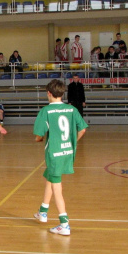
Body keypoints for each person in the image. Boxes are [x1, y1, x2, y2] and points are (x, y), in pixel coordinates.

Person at [33, 79, 88, 236]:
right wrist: (72, 142)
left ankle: (64, 224)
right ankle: (42, 212)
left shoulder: (46, 111)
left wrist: (40, 139)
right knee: (49, 178)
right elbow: (82, 130)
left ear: (49, 93)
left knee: (57, 187)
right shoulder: (72, 110)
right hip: (67, 152)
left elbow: (38, 136)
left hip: (54, 154)